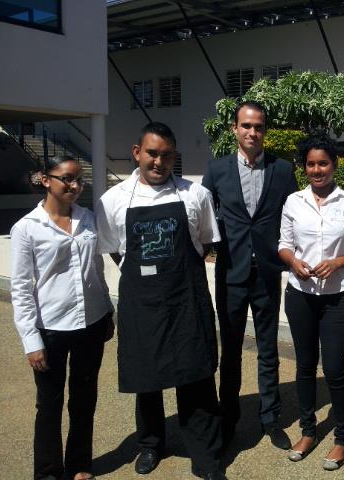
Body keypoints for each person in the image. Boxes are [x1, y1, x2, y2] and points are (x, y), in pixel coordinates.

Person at [95, 122, 225, 480]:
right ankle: (151, 444)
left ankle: (206, 457)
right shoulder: (114, 200)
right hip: (143, 303)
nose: (159, 161)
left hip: (186, 300)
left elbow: (205, 242)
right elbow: (115, 251)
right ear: (137, 153)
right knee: (146, 378)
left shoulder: (195, 194)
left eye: (167, 155)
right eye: (152, 153)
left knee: (196, 378)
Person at [10, 155, 114, 480]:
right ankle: (48, 472)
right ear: (46, 180)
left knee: (84, 399)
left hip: (91, 323)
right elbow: (22, 288)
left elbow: (96, 269)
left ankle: (80, 465)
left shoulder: (89, 219)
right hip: (50, 329)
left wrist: (107, 310)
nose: (74, 185)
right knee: (50, 405)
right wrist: (31, 341)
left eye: (79, 179)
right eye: (67, 178)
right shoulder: (27, 228)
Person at [202, 101, 297, 450]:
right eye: (246, 126)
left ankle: (270, 418)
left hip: (268, 273)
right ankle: (228, 420)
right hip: (231, 273)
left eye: (258, 127)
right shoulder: (216, 170)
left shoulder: (283, 170)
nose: (252, 132)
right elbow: (203, 219)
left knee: (268, 349)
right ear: (235, 129)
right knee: (231, 352)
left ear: (264, 131)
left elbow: (293, 218)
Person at [279, 135, 344, 470]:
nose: (317, 170)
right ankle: (307, 432)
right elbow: (284, 244)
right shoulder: (293, 202)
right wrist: (294, 263)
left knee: (333, 369)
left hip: (337, 298)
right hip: (300, 295)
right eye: (311, 164)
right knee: (305, 367)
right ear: (304, 167)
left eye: (323, 163)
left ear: (334, 165)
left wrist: (339, 262)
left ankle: (341, 438)